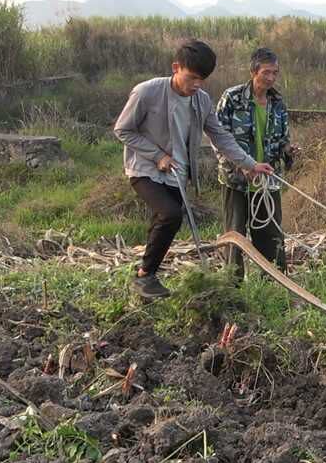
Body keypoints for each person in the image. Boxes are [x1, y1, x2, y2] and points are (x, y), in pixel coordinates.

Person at [113, 39, 274, 299]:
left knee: (164, 220)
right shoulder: (147, 92)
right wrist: (157, 156)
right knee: (170, 214)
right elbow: (123, 130)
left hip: (178, 172)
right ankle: (145, 276)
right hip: (145, 168)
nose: (197, 85)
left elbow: (220, 136)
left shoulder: (201, 101)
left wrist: (250, 164)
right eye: (192, 78)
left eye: (202, 80)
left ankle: (146, 279)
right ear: (176, 67)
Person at [213, 47, 299, 281]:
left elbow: (283, 139)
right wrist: (240, 167)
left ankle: (275, 283)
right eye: (266, 72)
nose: (271, 78)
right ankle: (232, 286)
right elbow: (219, 139)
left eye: (275, 73)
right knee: (235, 235)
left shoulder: (278, 103)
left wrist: (288, 151)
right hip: (237, 182)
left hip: (267, 181)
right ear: (253, 71)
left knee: (271, 236)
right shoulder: (231, 98)